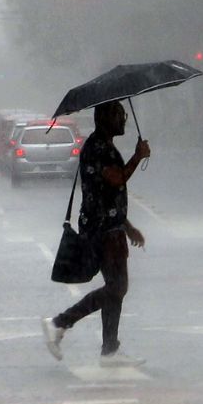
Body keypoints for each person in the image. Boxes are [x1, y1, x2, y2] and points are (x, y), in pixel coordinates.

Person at [42, 101, 151, 366]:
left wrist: (127, 226)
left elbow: (108, 195)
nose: (123, 119)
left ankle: (110, 350)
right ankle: (59, 323)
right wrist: (138, 156)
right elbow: (116, 179)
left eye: (124, 115)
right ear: (103, 118)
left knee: (116, 288)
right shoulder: (97, 148)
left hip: (109, 226)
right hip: (102, 230)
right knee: (117, 287)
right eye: (118, 115)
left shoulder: (103, 145)